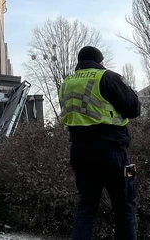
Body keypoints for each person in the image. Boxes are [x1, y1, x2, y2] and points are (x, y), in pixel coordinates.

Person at [58, 46, 141, 240]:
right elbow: (133, 109)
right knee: (124, 205)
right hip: (110, 150)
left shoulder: (67, 82)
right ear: (99, 61)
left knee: (86, 207)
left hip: (79, 151)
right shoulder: (106, 77)